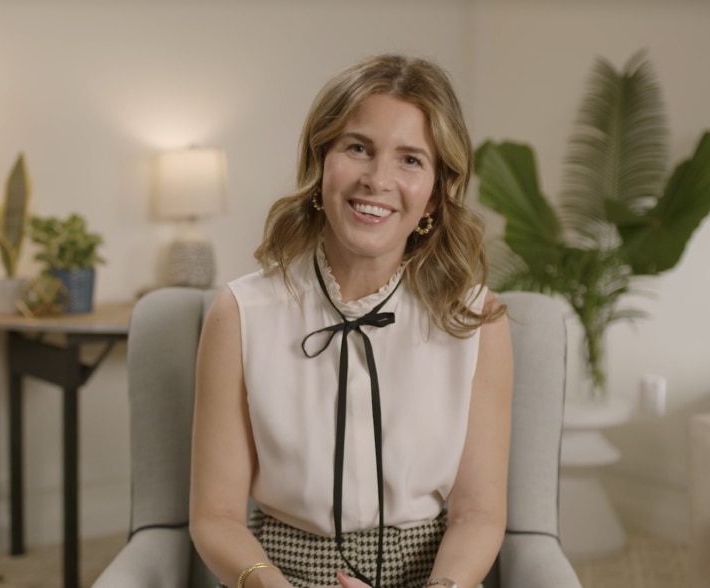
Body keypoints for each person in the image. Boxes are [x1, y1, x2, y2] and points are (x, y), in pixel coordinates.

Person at [188, 54, 513, 588]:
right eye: (358, 148)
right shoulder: (239, 314)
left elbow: (478, 515)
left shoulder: (478, 320)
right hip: (275, 579)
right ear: (321, 165)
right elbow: (216, 517)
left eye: (410, 160)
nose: (377, 179)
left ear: (434, 192)